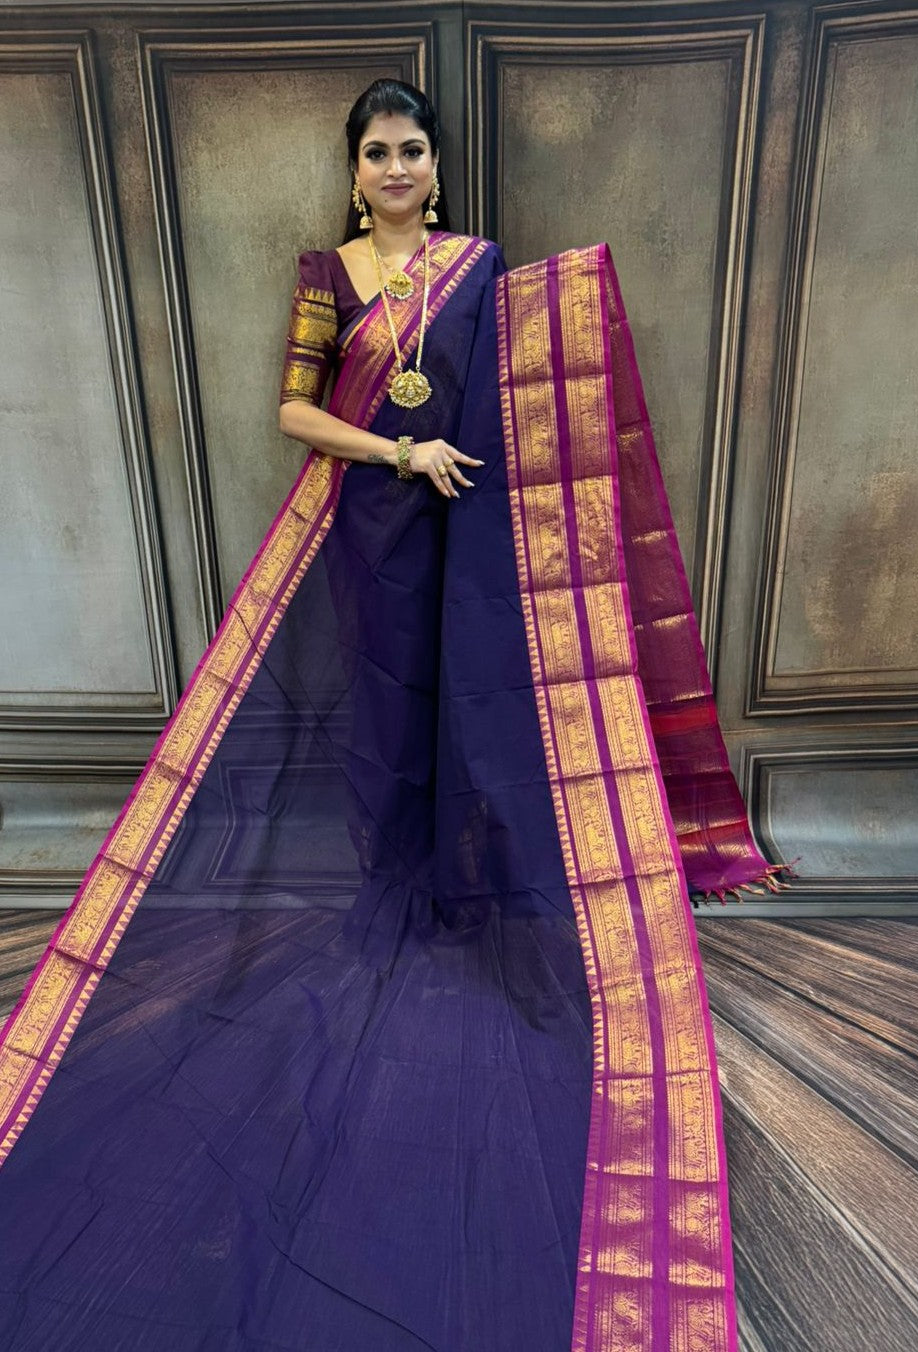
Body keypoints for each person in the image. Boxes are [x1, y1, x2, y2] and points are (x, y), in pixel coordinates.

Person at [0, 78, 791, 1351]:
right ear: (354, 167)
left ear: (435, 161)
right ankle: (397, 880)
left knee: (474, 710)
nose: (397, 168)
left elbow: (523, 392)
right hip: (373, 521)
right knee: (383, 711)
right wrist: (396, 452)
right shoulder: (331, 276)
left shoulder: (478, 268)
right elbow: (293, 409)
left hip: (474, 525)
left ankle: (469, 882)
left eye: (413, 149)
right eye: (377, 153)